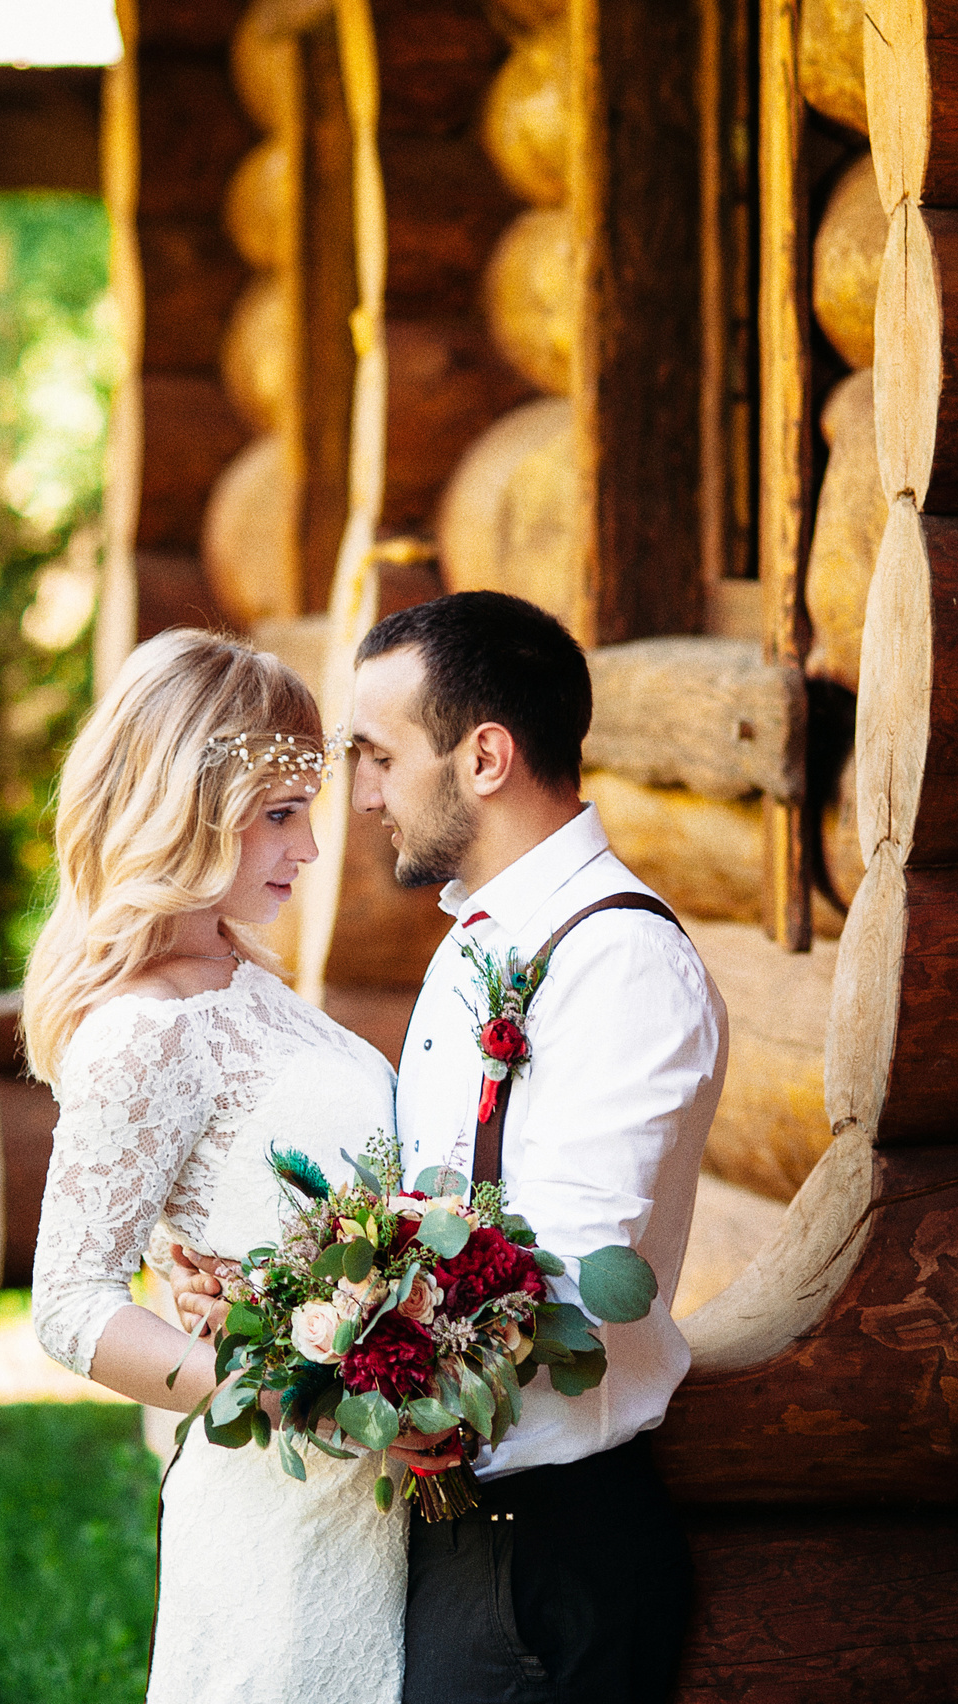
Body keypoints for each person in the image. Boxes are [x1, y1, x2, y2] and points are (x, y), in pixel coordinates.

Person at [173, 590, 725, 1703]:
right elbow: (442, 1219)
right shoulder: (482, 938)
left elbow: (564, 1279)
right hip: (463, 1523)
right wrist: (278, 1303)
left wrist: (326, 1374)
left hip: (548, 1550)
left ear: (483, 757)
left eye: (376, 755)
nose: (359, 794)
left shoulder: (617, 962)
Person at [25, 627, 430, 1704]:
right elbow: (68, 1302)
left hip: (384, 1499)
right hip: (280, 1515)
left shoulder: (249, 982)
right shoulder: (141, 1031)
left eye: (310, 814)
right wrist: (288, 1393)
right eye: (280, 817)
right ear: (188, 808)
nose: (306, 852)